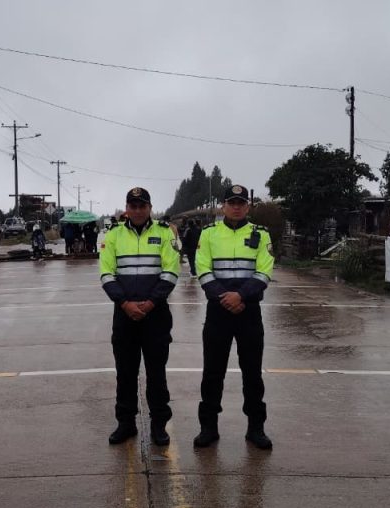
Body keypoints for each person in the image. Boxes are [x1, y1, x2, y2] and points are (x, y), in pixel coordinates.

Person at [193, 185, 275, 450]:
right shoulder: (208, 234)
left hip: (249, 311)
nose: (236, 207)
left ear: (248, 206)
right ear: (223, 205)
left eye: (241, 202)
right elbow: (202, 269)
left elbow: (264, 271)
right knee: (212, 372)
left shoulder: (260, 235)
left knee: (252, 373)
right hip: (218, 312)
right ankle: (208, 427)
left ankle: (256, 427)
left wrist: (241, 296)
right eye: (232, 202)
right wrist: (225, 297)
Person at [100, 187, 180, 446]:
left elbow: (171, 272)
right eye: (133, 206)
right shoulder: (112, 235)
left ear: (149, 207)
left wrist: (149, 303)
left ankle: (159, 425)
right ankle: (126, 424)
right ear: (126, 208)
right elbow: (106, 273)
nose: (137, 210)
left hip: (155, 316)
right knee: (125, 373)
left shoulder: (164, 232)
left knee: (156, 373)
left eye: (142, 205)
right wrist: (125, 303)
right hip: (124, 316)